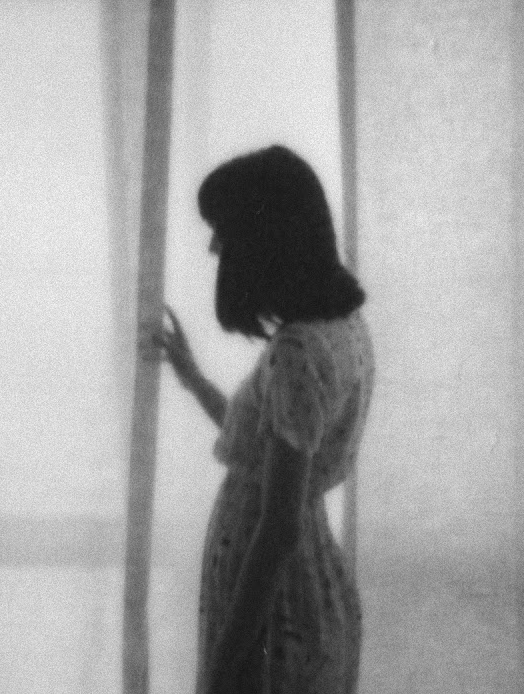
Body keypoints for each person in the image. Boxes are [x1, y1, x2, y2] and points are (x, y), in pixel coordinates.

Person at [157, 145, 374, 694]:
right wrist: (193, 377)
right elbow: (271, 447)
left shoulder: (298, 352)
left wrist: (222, 666)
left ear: (262, 240)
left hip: (275, 607)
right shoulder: (342, 329)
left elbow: (276, 529)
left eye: (223, 232)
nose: (214, 247)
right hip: (305, 581)